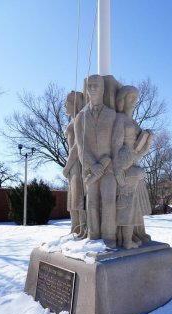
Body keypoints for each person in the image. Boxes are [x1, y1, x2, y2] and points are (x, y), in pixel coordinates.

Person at [74, 75, 117, 248]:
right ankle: (94, 235)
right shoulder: (80, 117)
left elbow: (117, 141)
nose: (92, 88)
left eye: (96, 85)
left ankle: (109, 236)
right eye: (89, 85)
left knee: (108, 200)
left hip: (109, 167)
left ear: (103, 88)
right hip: (90, 170)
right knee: (92, 202)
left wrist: (106, 161)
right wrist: (94, 165)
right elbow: (80, 146)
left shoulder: (112, 114)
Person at [113, 86, 152, 249]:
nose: (134, 102)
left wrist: (147, 140)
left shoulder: (134, 122)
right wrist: (117, 169)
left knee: (133, 204)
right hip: (123, 161)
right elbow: (114, 145)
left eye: (136, 99)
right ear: (122, 100)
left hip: (133, 159)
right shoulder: (119, 119)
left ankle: (131, 236)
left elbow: (139, 149)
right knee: (126, 204)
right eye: (131, 98)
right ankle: (125, 241)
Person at [63, 91, 86, 238]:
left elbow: (77, 147)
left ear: (75, 103)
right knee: (72, 200)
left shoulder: (80, 119)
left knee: (79, 200)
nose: (65, 106)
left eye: (67, 103)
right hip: (72, 167)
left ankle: (83, 229)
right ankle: (75, 229)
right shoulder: (73, 120)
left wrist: (68, 166)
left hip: (78, 164)